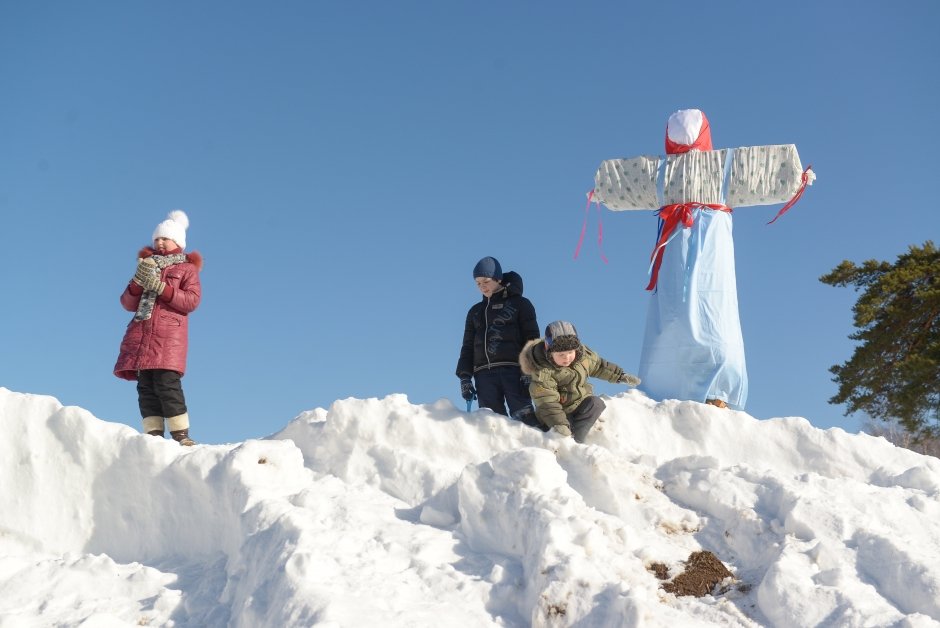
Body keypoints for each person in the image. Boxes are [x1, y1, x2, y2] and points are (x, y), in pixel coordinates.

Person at [590, 109, 814, 410]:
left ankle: (666, 384)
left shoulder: (662, 172)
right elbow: (762, 171)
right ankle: (717, 385)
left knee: (673, 311)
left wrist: (602, 191)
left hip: (674, 248)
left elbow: (623, 180)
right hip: (712, 246)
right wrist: (796, 178)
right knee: (714, 308)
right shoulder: (723, 167)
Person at [113, 210, 203, 446]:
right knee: (146, 386)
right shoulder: (146, 266)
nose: (160, 242)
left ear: (178, 242)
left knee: (167, 383)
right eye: (157, 239)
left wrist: (163, 288)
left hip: (168, 337)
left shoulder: (186, 269)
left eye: (165, 238)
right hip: (142, 335)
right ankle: (153, 434)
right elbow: (127, 303)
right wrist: (137, 283)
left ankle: (181, 434)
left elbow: (191, 300)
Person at [519, 320, 640, 443]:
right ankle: (572, 443)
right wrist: (560, 424)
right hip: (557, 413)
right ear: (548, 350)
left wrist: (620, 376)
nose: (567, 358)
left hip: (579, 405)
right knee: (565, 426)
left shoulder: (583, 357)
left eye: (570, 352)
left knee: (596, 403)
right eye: (561, 355)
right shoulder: (543, 372)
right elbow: (548, 403)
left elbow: (599, 366)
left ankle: (577, 438)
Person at [456, 256, 540, 426]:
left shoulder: (520, 305)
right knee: (492, 425)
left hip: (514, 372)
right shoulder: (475, 312)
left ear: (498, 278)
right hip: (484, 376)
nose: (482, 286)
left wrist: (528, 371)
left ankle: (537, 450)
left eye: (486, 281)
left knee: (524, 419)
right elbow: (467, 347)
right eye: (478, 283)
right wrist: (465, 378)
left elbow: (532, 340)